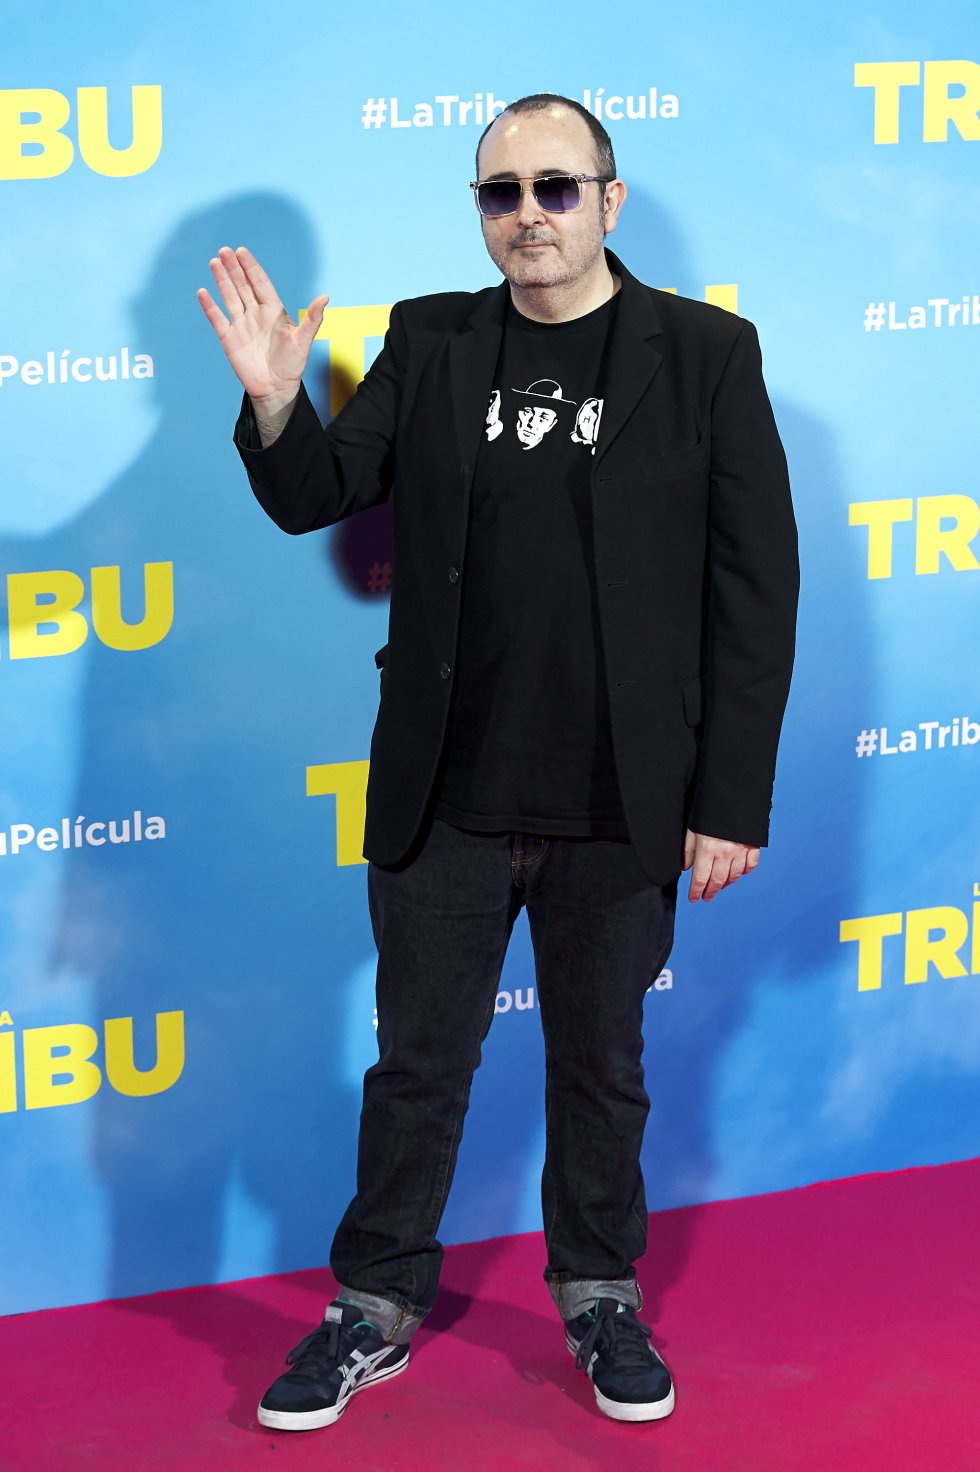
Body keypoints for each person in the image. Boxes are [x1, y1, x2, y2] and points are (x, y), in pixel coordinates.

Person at [197, 92, 799, 1431]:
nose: (529, 215)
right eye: (501, 192)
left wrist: (730, 800)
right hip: (447, 793)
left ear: (609, 200)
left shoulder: (706, 353)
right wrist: (279, 397)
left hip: (621, 795)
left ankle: (599, 1292)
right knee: (417, 1065)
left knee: (601, 1067)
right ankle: (373, 1305)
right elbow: (314, 497)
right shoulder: (431, 339)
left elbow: (756, 593)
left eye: (555, 187)